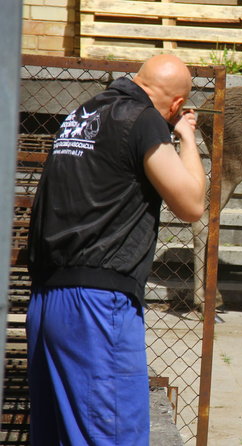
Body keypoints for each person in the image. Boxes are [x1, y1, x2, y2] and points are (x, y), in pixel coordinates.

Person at [26, 54, 206, 445]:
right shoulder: (142, 119)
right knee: (112, 434)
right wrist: (186, 137)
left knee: (58, 435)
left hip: (46, 301)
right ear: (176, 105)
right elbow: (191, 203)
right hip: (97, 306)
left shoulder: (84, 112)